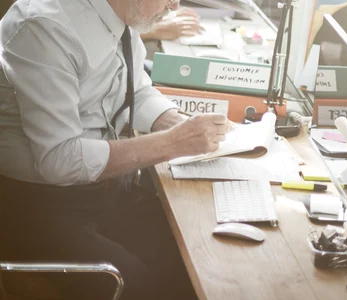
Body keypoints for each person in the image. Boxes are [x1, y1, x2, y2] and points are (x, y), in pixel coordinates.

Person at [0, 0, 232, 299]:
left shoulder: (121, 16)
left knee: (197, 255)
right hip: (35, 203)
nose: (174, 5)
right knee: (141, 287)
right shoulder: (46, 27)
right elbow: (59, 159)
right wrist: (174, 143)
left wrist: (176, 122)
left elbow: (135, 90)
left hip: (100, 189)